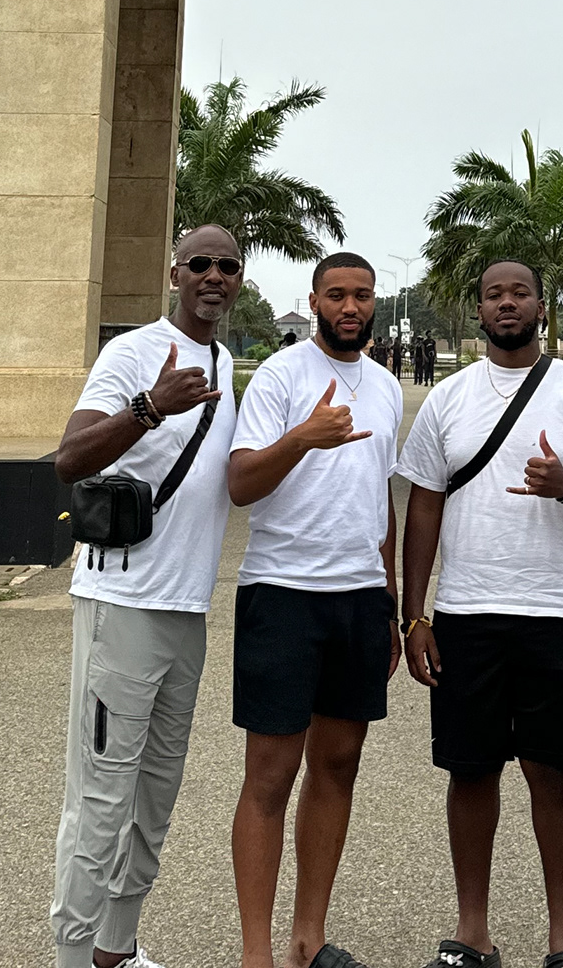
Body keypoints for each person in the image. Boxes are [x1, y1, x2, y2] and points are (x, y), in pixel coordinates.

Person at [400, 258, 563, 968]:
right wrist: (415, 615)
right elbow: (424, 506)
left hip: (560, 612)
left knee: (553, 772)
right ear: (479, 309)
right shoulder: (449, 399)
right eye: (494, 293)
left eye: (520, 292)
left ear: (543, 306)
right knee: (471, 771)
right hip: (468, 613)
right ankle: (473, 932)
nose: (507, 303)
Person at [49, 224, 244, 968]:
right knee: (101, 799)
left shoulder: (225, 363)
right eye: (201, 263)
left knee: (155, 796)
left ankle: (117, 948)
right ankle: (72, 957)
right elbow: (69, 459)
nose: (214, 276)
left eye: (228, 266)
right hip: (122, 604)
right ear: (175, 273)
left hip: (186, 609)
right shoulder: (132, 352)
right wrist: (150, 406)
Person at [228, 252, 404, 968]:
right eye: (336, 295)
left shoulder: (385, 385)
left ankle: (309, 939)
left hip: (359, 599)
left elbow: (380, 499)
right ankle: (257, 953)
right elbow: (241, 483)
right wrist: (302, 436)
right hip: (283, 593)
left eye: (362, 295)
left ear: (375, 301)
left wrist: (390, 603)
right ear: (313, 301)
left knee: (338, 764)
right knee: (270, 775)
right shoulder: (281, 376)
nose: (350, 307)